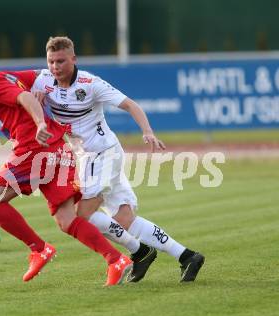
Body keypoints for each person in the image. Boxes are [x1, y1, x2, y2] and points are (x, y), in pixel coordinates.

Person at [0, 46, 133, 286]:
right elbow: (42, 77)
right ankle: (116, 259)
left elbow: (25, 97)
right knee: (66, 219)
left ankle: (39, 249)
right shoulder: (8, 77)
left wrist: (40, 123)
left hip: (33, 150)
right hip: (57, 148)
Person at [32, 36, 205, 283]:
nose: (55, 67)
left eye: (60, 61)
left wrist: (147, 131)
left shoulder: (90, 83)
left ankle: (141, 252)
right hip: (88, 158)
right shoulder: (43, 80)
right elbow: (17, 88)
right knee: (125, 220)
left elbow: (131, 105)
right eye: (51, 61)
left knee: (82, 215)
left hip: (103, 154)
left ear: (73, 59)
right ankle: (187, 256)